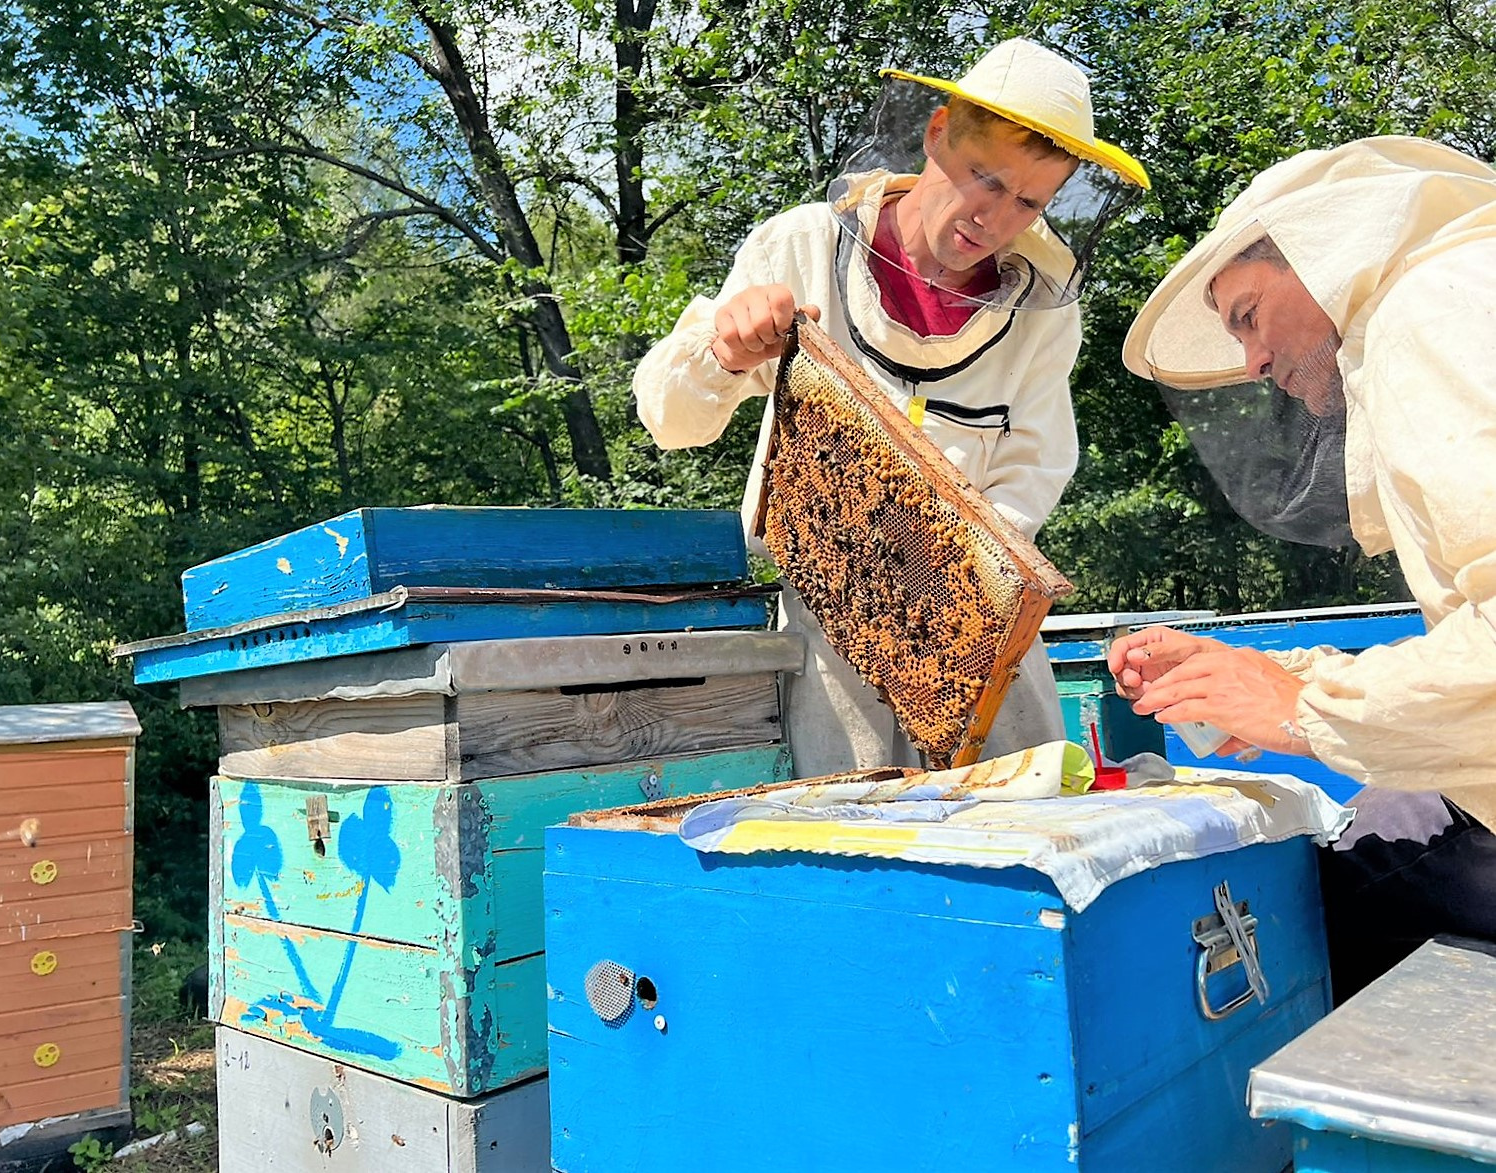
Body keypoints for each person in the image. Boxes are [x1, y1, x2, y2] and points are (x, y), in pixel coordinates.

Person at [634, 38, 1149, 777]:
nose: (995, 216)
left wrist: (951, 590)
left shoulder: (1042, 309)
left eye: (1028, 201)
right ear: (936, 133)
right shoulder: (802, 246)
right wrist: (727, 349)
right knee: (849, 844)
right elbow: (668, 418)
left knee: (1022, 826)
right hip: (818, 622)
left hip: (975, 617)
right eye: (984, 178)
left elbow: (1034, 468)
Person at [1109, 136, 1496, 998]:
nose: (1250, 363)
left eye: (1247, 314)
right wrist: (1269, 674)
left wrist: (1303, 708)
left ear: (1325, 252)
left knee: (1298, 918)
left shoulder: (1427, 310)